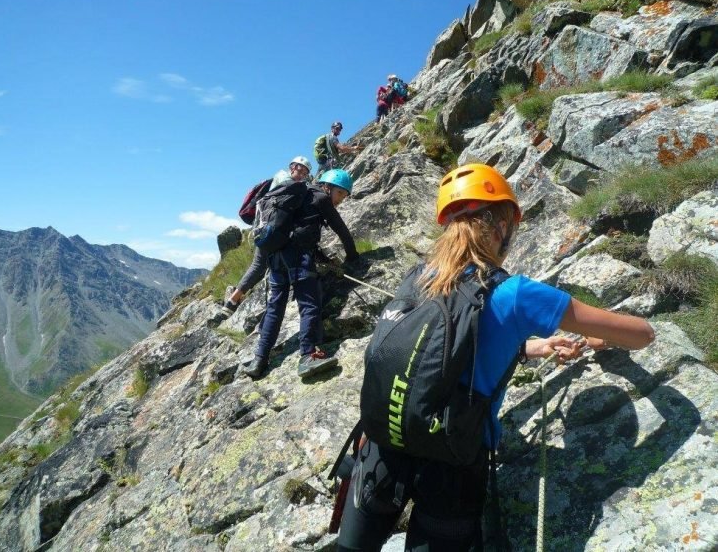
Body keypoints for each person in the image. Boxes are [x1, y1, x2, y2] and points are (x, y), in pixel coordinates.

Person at [336, 163, 655, 551]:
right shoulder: (516, 294)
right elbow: (642, 334)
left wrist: (529, 347)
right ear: (502, 223)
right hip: (455, 463)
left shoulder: (419, 275)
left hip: (383, 444)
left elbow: (440, 348)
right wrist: (599, 337)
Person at [242, 168, 359, 379]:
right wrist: (353, 257)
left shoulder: (298, 196)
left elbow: (300, 232)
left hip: (276, 259)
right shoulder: (321, 198)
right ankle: (309, 356)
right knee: (309, 305)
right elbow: (342, 232)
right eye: (340, 193)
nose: (341, 199)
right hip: (298, 259)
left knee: (274, 308)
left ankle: (259, 359)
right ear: (328, 186)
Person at [220, 156, 312, 316]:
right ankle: (234, 301)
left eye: (305, 173)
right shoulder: (285, 180)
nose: (301, 174)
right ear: (292, 167)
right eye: (300, 169)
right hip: (270, 230)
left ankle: (232, 300)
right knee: (261, 265)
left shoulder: (276, 180)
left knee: (259, 265)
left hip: (262, 228)